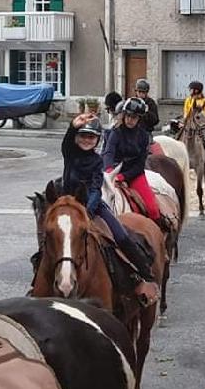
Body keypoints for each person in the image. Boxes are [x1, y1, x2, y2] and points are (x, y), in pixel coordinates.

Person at [61, 112, 159, 304]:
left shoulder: (97, 161)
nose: (87, 140)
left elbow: (96, 190)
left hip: (93, 206)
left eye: (91, 137)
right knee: (51, 235)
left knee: (121, 235)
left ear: (97, 140)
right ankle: (38, 279)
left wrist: (88, 211)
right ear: (76, 138)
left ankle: (144, 275)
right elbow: (66, 143)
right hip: (69, 204)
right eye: (83, 136)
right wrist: (74, 125)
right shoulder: (70, 154)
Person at [102, 98, 171, 233]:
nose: (129, 119)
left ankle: (157, 236)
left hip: (134, 174)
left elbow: (140, 164)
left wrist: (122, 177)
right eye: (127, 115)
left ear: (139, 118)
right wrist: (110, 172)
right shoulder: (115, 132)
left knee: (152, 209)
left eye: (133, 117)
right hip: (111, 173)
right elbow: (108, 153)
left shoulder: (143, 136)